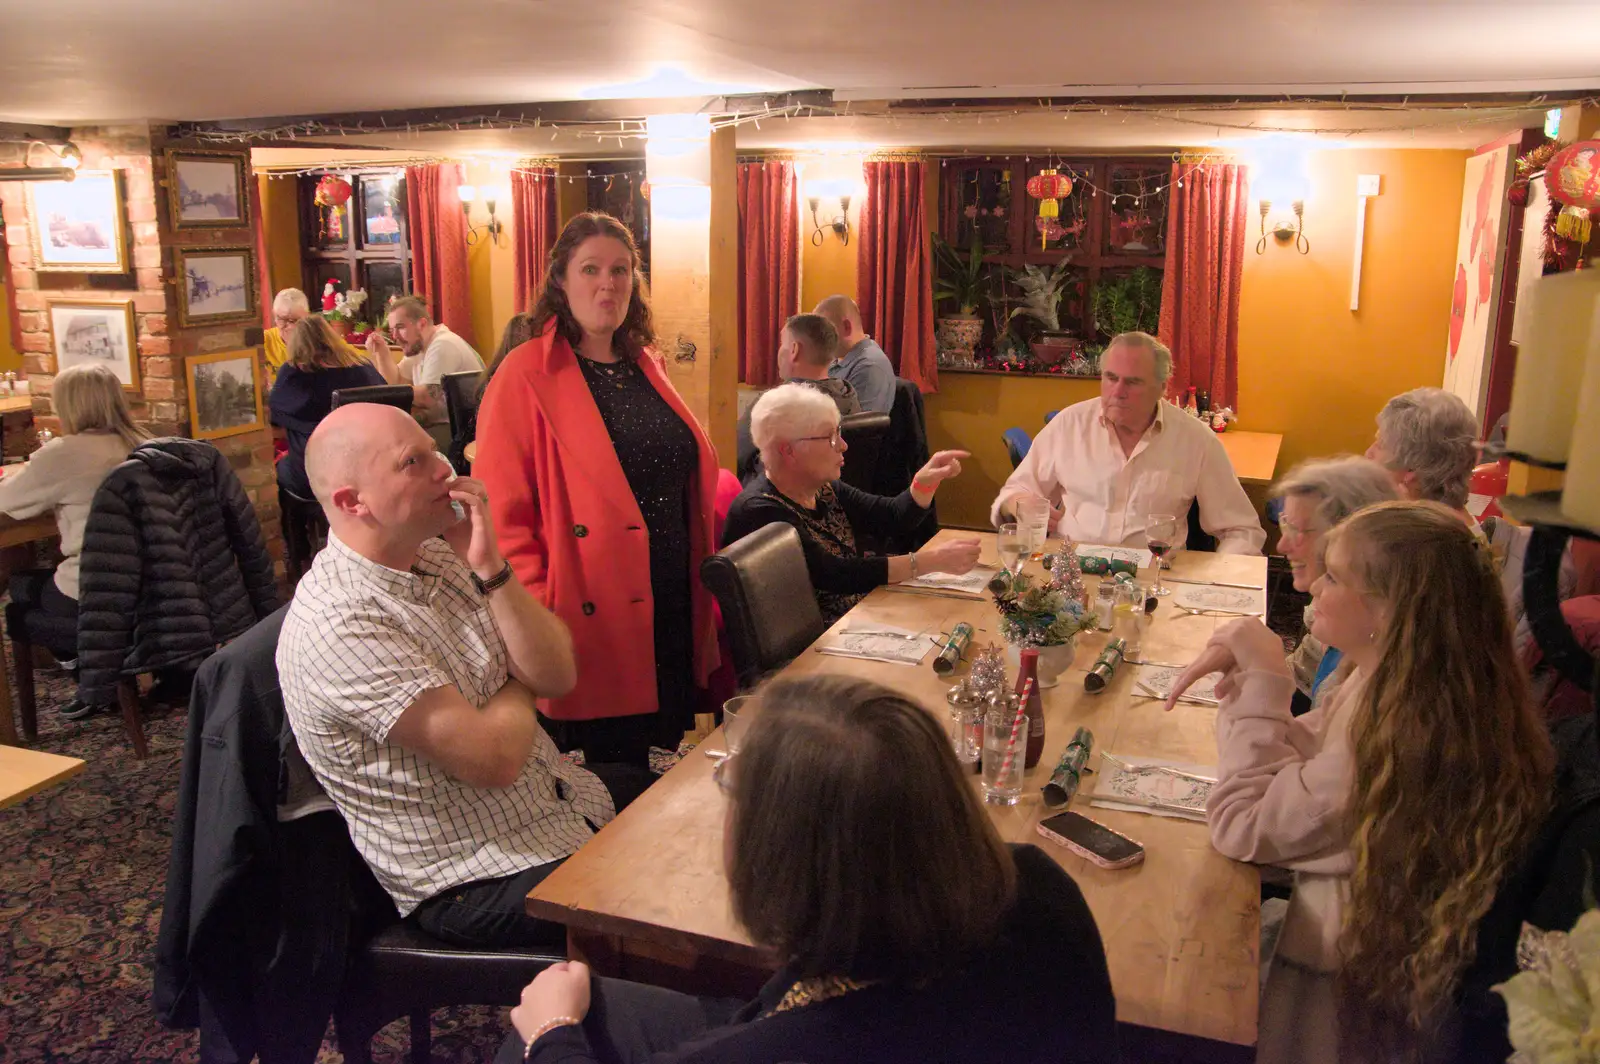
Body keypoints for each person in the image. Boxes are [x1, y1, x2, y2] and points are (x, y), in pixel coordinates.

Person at [498, 675, 1118, 1064]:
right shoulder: (1039, 882)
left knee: (540, 1021)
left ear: (782, 860)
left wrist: (551, 1034)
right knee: (597, 999)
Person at [1164, 501, 1552, 1062]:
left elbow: (1242, 825)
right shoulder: (1396, 682)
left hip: (1343, 992)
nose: (1315, 586)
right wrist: (1256, 690)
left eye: (1336, 577)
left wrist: (1267, 681)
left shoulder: (1403, 730)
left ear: (1391, 609)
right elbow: (1301, 765)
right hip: (1370, 950)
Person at [277, 403, 644, 949]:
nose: (445, 470)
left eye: (434, 451)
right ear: (352, 502)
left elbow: (558, 673)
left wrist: (491, 567)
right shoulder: (339, 623)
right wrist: (519, 685)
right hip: (474, 876)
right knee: (680, 885)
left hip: (557, 803)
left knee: (718, 810)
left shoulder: (437, 555)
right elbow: (494, 759)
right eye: (413, 462)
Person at [474, 212, 721, 768]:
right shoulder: (524, 374)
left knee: (660, 763)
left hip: (668, 600)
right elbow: (503, 520)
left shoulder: (646, 363)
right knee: (612, 781)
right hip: (586, 612)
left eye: (621, 270)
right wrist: (541, 618)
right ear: (560, 280)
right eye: (590, 269)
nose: (607, 283)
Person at [723, 384, 980, 625]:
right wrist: (928, 561)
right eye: (831, 437)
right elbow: (836, 575)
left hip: (854, 620)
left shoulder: (822, 488)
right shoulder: (760, 511)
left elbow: (891, 518)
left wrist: (924, 483)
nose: (843, 446)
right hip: (813, 649)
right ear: (788, 450)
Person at [991, 331, 1264, 554]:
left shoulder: (1196, 440)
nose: (1117, 392)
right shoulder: (1069, 425)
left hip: (1154, 580)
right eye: (1111, 378)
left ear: (1162, 388)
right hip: (1070, 572)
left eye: (1133, 383)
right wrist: (1017, 503)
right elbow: (1014, 492)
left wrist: (1217, 582)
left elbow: (1242, 530)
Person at [0, 362, 148, 720]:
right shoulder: (147, 444)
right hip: (157, 583)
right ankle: (98, 671)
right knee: (41, 584)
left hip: (96, 589)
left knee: (19, 595)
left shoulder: (62, 454)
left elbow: (6, 502)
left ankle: (88, 675)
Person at [1270, 456, 1397, 714]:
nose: (1281, 546)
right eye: (1285, 524)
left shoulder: (1375, 663)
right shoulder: (1332, 615)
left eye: (1296, 529)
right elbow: (1299, 688)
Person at [268, 314, 385, 499]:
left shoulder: (293, 373)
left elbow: (273, 418)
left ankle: (294, 528)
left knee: (278, 469)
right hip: (366, 468)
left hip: (315, 475)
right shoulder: (363, 366)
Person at [735, 312, 860, 483]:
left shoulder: (775, 404)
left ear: (794, 350)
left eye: (782, 345)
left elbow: (733, 455)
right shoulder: (848, 395)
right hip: (832, 500)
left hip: (777, 500)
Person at [366, 295, 484, 449]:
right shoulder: (419, 347)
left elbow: (427, 397)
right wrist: (382, 354)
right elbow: (396, 382)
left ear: (421, 324)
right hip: (444, 426)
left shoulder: (442, 344)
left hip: (464, 433)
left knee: (390, 447)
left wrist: (382, 395)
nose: (394, 337)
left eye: (400, 327)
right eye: (392, 330)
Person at [1365, 387, 1481, 528]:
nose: (1369, 453)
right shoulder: (1468, 532)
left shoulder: (1412, 542)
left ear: (1412, 468)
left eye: (1381, 445)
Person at [813, 294, 896, 413]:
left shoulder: (870, 366)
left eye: (824, 332)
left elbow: (860, 428)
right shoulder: (839, 358)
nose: (820, 340)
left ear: (846, 327)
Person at [263, 287, 310, 374]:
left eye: (295, 320)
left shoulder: (321, 342)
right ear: (274, 315)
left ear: (307, 317)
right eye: (282, 320)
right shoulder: (264, 341)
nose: (291, 327)